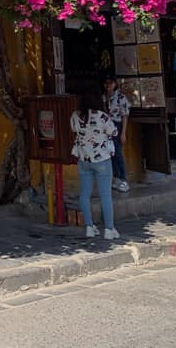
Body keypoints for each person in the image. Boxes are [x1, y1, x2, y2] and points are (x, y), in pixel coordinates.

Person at [71, 90, 120, 240]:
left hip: (83, 159)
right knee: (105, 194)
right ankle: (109, 229)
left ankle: (89, 227)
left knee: (85, 194)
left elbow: (74, 130)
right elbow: (114, 132)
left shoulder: (75, 115)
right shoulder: (102, 116)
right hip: (102, 160)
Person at [103, 76, 131, 192]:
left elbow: (125, 116)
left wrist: (123, 132)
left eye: (110, 83)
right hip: (106, 126)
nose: (108, 85)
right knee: (111, 153)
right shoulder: (104, 97)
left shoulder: (120, 98)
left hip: (117, 125)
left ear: (115, 84)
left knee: (118, 152)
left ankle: (123, 179)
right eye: (106, 83)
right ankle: (115, 178)